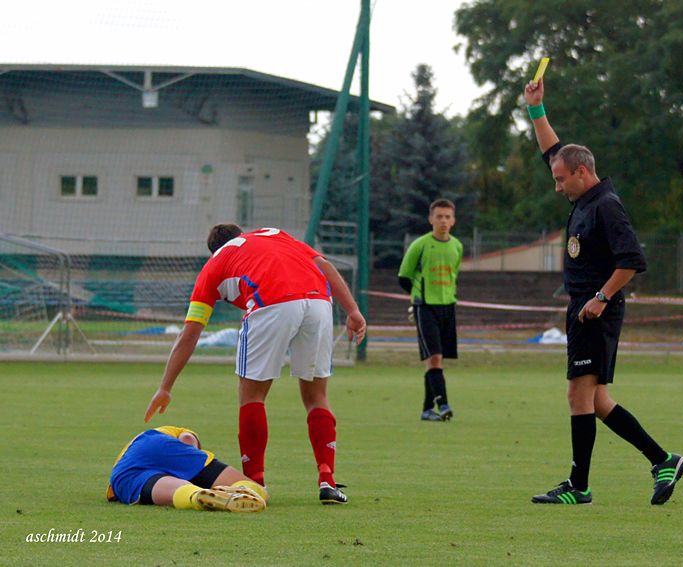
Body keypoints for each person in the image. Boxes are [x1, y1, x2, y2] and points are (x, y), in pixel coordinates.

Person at [523, 79, 683, 505]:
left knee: (579, 395)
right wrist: (536, 110)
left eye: (561, 179)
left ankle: (579, 487)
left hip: (595, 310)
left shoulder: (606, 205)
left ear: (582, 172)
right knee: (595, 399)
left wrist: (600, 297)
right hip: (583, 309)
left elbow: (631, 260)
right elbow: (552, 153)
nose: (556, 186)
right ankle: (663, 459)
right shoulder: (584, 200)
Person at [144, 225, 367, 505]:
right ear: (242, 233)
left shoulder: (216, 263)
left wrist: (165, 386)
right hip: (319, 303)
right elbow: (324, 265)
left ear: (214, 249)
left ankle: (255, 484)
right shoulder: (275, 234)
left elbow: (190, 333)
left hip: (270, 303)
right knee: (316, 396)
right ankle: (327, 481)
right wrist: (353, 311)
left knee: (252, 396)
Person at [398, 199, 463, 422]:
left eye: (447, 217)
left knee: (436, 359)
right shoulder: (420, 245)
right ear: (431, 219)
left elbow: (453, 274)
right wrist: (417, 298)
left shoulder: (457, 246)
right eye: (439, 216)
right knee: (435, 357)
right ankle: (443, 404)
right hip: (425, 307)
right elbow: (404, 276)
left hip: (448, 306)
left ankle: (427, 409)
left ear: (453, 220)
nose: (443, 221)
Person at [107, 425, 267, 512]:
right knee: (252, 487)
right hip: (154, 444)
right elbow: (187, 438)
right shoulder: (176, 433)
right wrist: (192, 455)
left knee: (180, 490)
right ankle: (248, 491)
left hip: (123, 477)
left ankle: (196, 496)